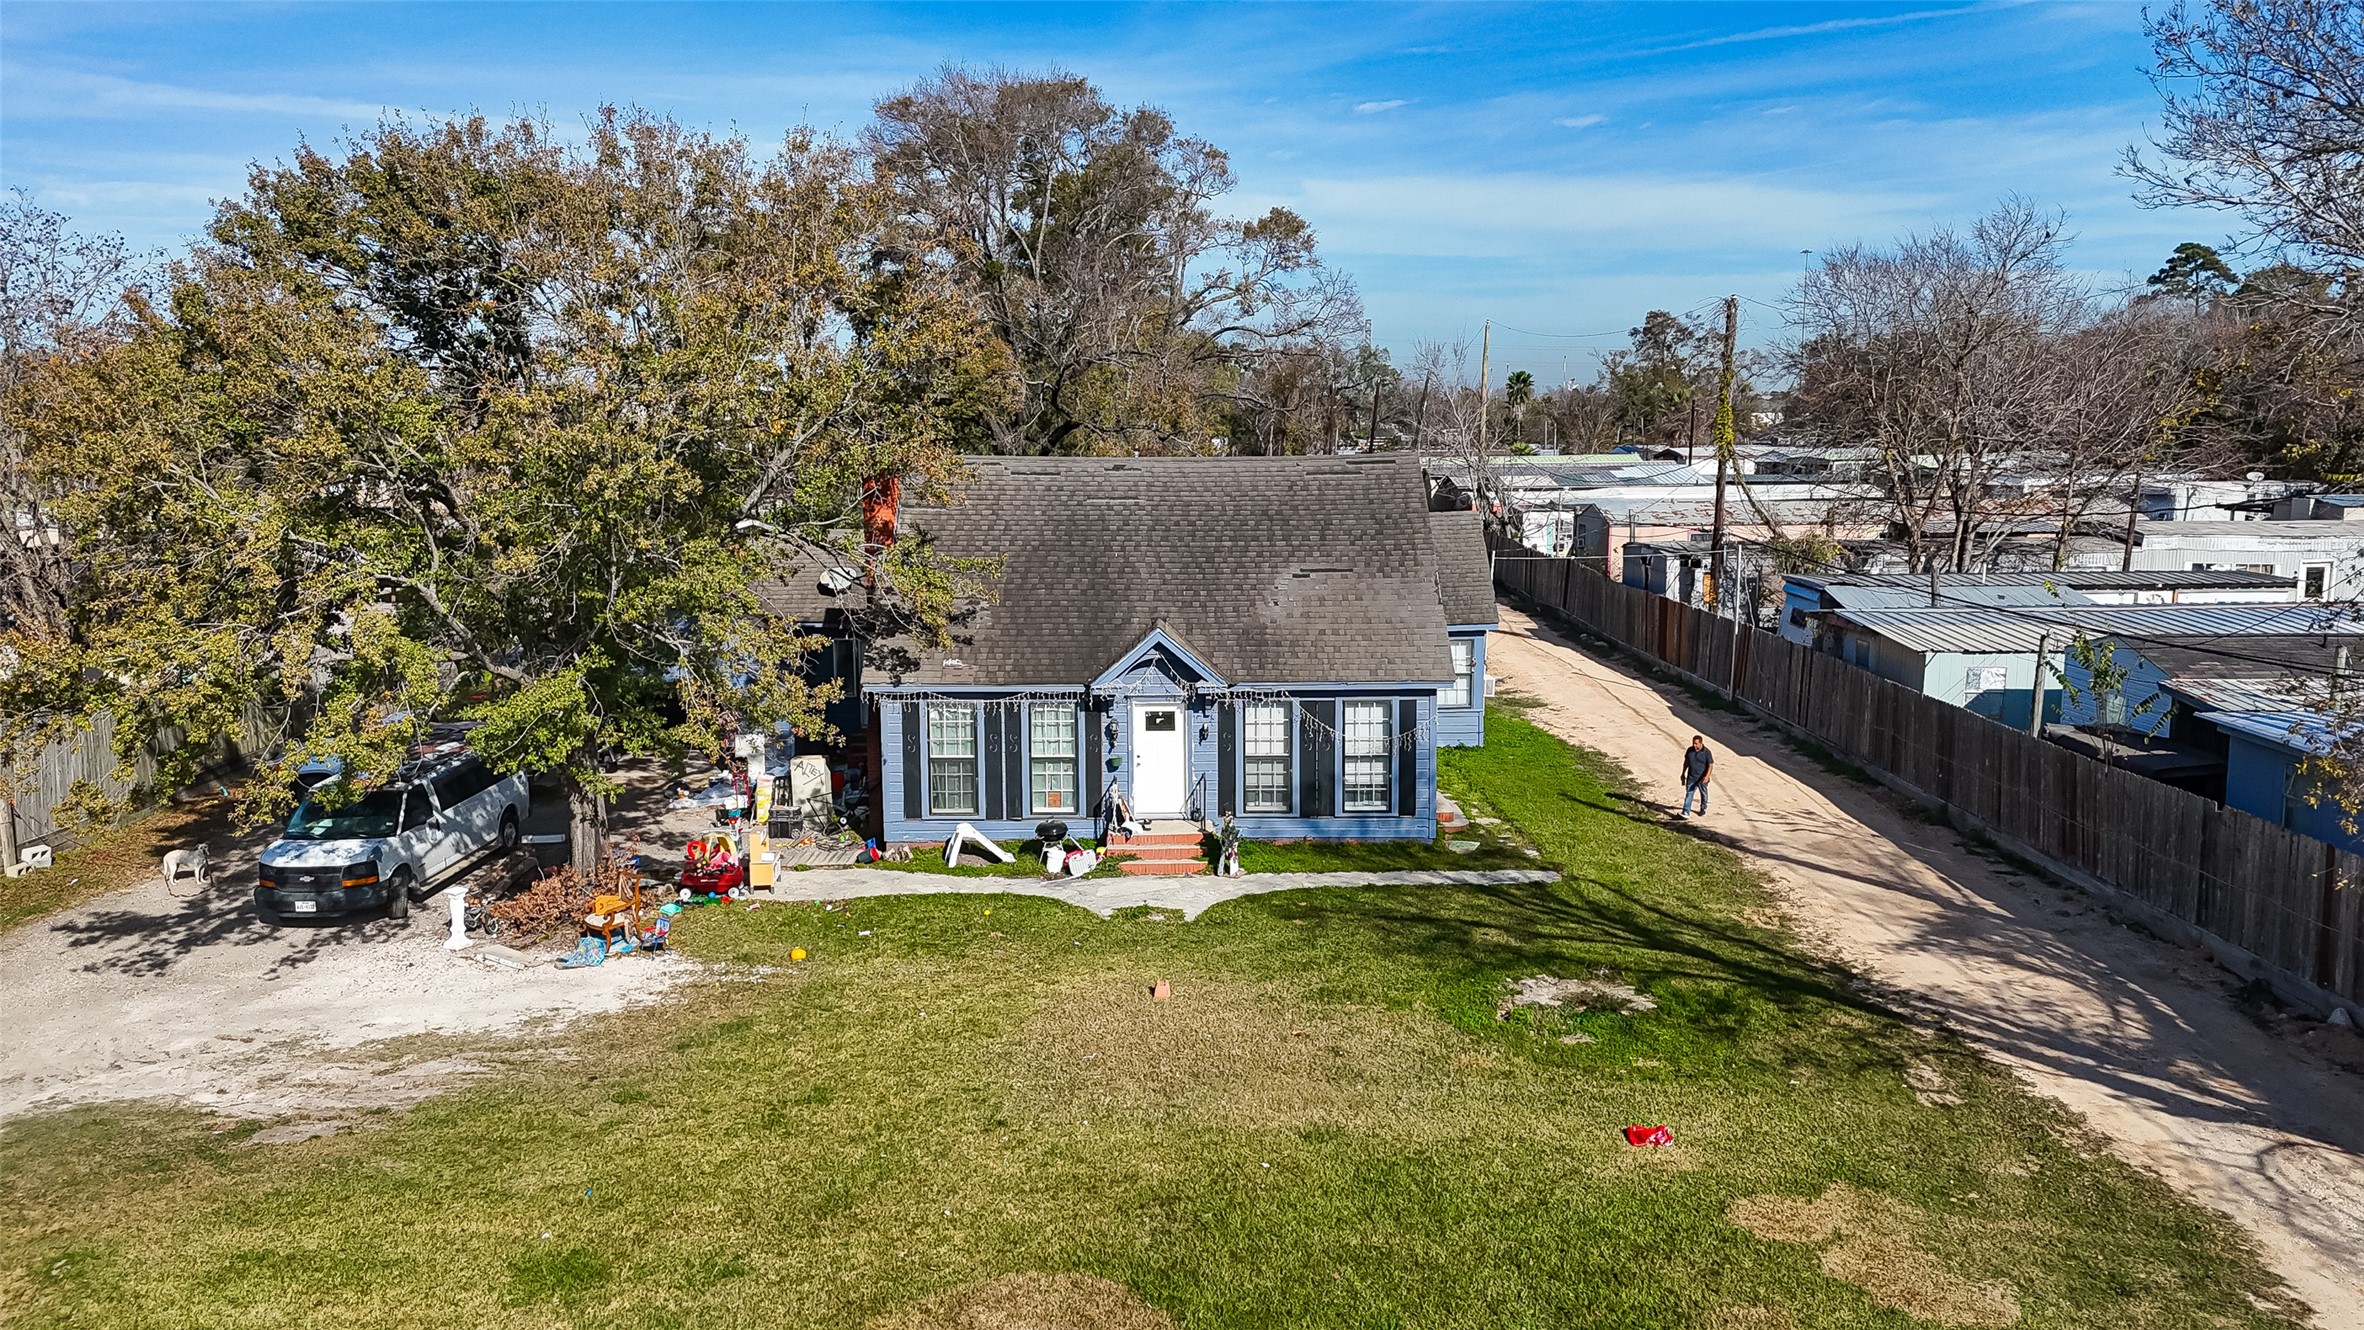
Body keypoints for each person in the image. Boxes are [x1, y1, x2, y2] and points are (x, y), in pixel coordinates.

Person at [1677, 735, 1714, 818]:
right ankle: (1686, 812)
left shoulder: (1707, 752)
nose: (1694, 745)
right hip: (1691, 777)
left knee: (1703, 793)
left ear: (1701, 743)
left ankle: (1703, 808)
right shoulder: (1690, 750)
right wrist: (1683, 773)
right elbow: (1686, 762)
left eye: (1696, 744)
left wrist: (1707, 776)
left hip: (1702, 778)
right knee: (1689, 793)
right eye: (1693, 743)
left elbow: (1710, 765)